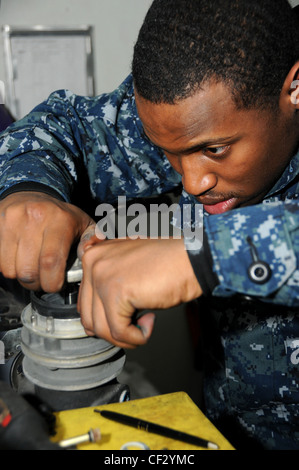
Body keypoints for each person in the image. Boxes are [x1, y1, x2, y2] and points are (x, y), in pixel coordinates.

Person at [0, 0, 299, 450]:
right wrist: (27, 191)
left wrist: (204, 256)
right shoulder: (197, 105)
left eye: (215, 150)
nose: (193, 182)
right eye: (169, 153)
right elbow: (64, 127)